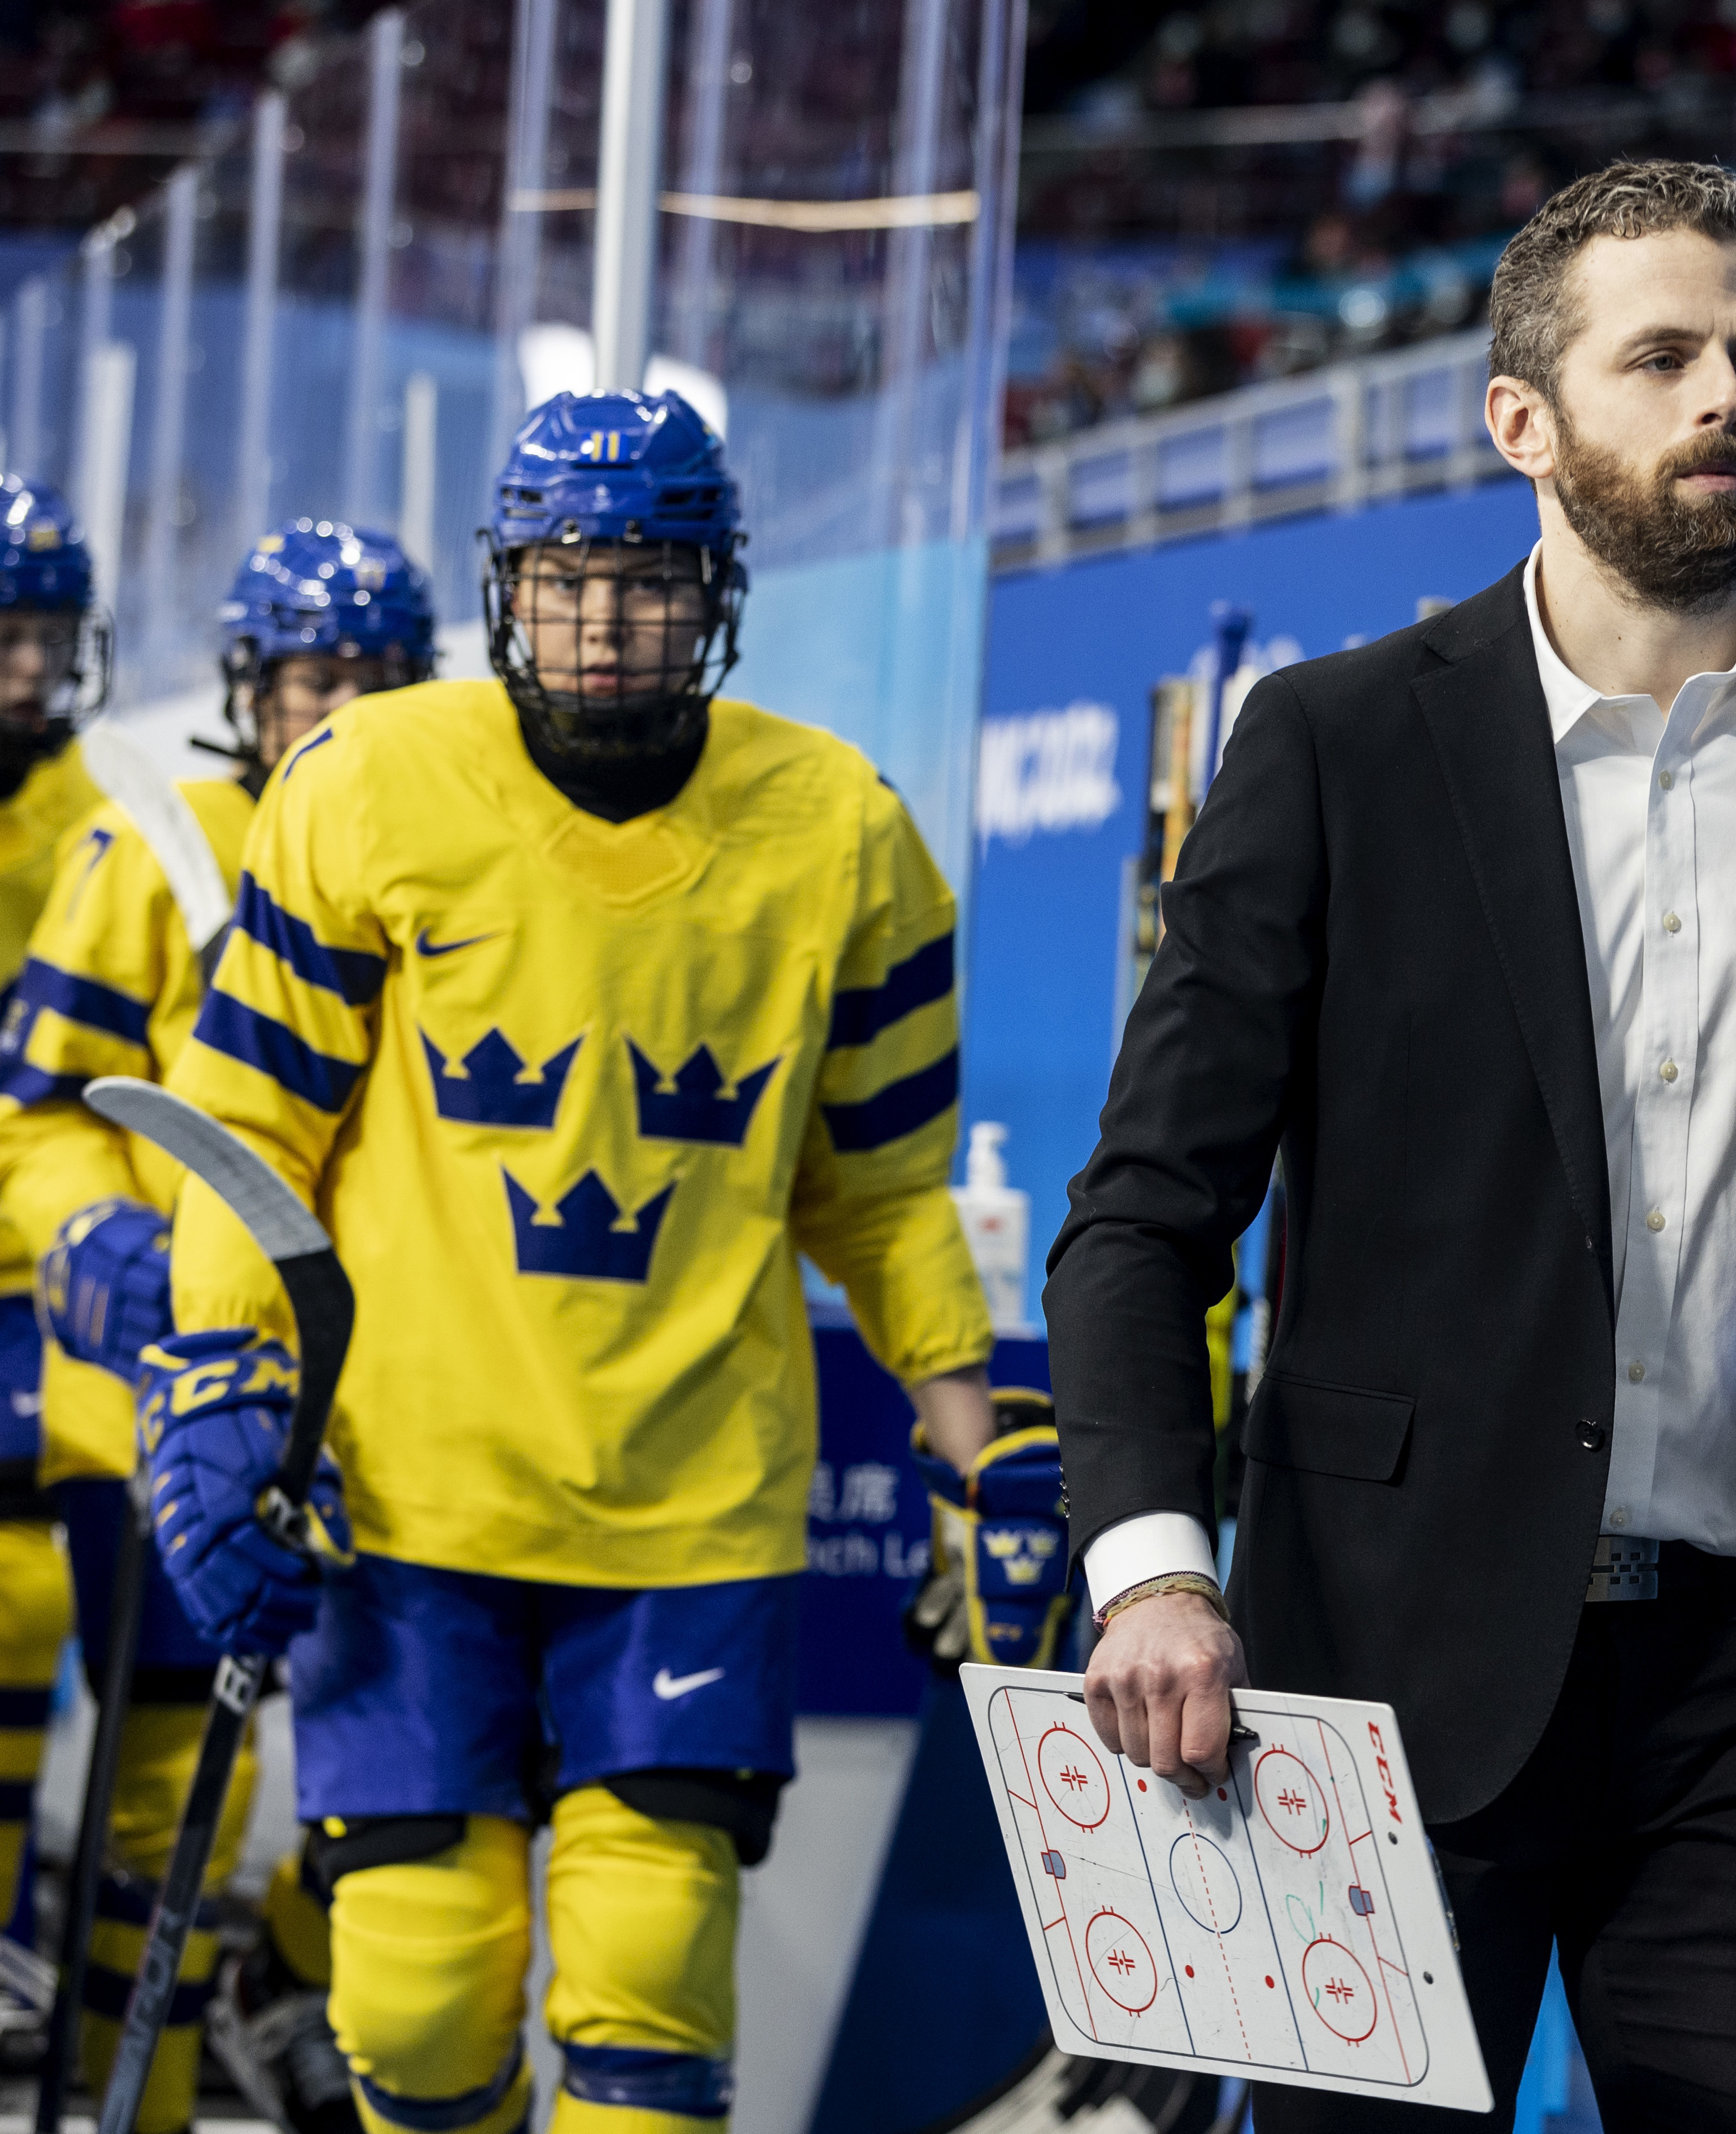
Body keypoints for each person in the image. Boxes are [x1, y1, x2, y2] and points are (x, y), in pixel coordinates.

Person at [1046, 158, 1736, 2133]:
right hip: (1382, 1673)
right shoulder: (1338, 747)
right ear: (1521, 423)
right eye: (1665, 357)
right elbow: (1140, 1219)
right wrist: (1153, 1577)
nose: (1726, 399)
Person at [134, 387, 1006, 2134]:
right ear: (504, 588)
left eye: (649, 579)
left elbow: (889, 1195)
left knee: (649, 1978)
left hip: (688, 1504)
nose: (603, 621)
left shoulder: (845, 832)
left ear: (717, 594)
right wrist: (220, 1385)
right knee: (417, 1986)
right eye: (563, 577)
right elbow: (247, 1139)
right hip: (407, 1490)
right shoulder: (366, 786)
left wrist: (976, 1462)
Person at [0, 516, 435, 2131]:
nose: (335, 708)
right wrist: (97, 1239)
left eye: (373, 678)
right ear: (250, 687)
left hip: (402, 1413)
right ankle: (153, 2103)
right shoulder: (158, 849)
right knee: (171, 1789)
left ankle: (266, 1996)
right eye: (311, 676)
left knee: (403, 1793)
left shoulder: (441, 846)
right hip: (187, 1409)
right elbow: (33, 1110)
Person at [0, 473, 118, 1980]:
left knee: (27, 1596)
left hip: (39, 1282)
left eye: (49, 634)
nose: (30, 664)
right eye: (3, 632)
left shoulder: (109, 822)